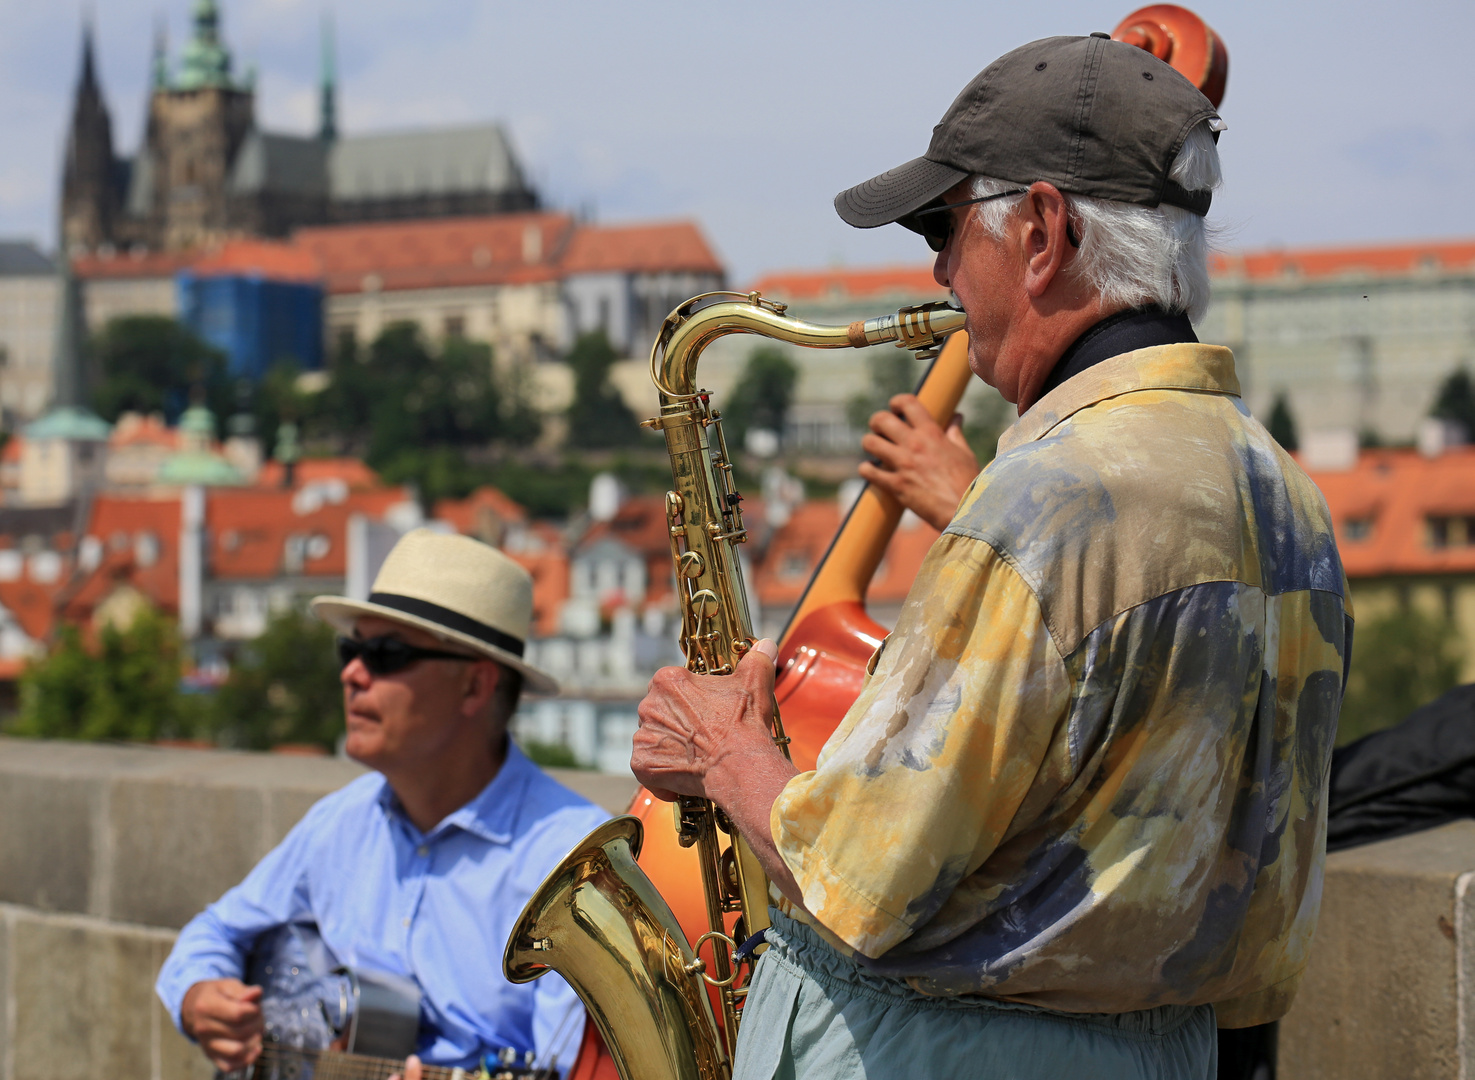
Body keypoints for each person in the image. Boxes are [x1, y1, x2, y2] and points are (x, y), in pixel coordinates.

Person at [631, 33, 1350, 1080]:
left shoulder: (1043, 499)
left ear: (1044, 231)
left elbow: (857, 883)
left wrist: (726, 756)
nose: (933, 270)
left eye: (945, 225)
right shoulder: (1287, 496)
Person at [156, 529, 608, 1077]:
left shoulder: (575, 866)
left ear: (474, 687)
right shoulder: (343, 822)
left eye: (386, 654)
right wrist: (201, 996)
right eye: (351, 649)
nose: (352, 673)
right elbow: (215, 930)